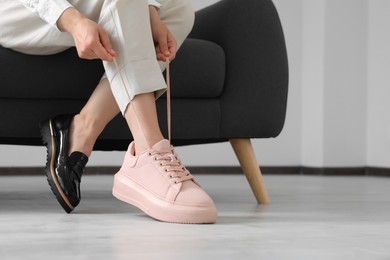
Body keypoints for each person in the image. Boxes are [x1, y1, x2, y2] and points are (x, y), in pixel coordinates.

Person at [0, 0, 217, 224]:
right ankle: (148, 148)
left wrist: (148, 11)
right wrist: (73, 20)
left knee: (179, 10)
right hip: (17, 13)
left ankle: (84, 126)